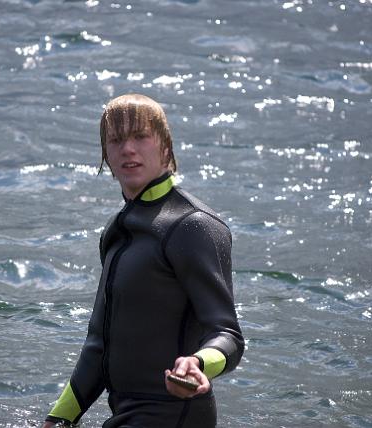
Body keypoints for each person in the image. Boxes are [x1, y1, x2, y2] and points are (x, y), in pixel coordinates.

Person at [42, 94, 244, 428]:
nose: (128, 149)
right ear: (105, 154)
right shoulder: (116, 231)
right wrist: (59, 419)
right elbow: (98, 347)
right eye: (116, 140)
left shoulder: (194, 226)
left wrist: (197, 364)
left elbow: (228, 336)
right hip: (125, 415)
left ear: (166, 145)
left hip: (174, 415)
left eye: (140, 137)